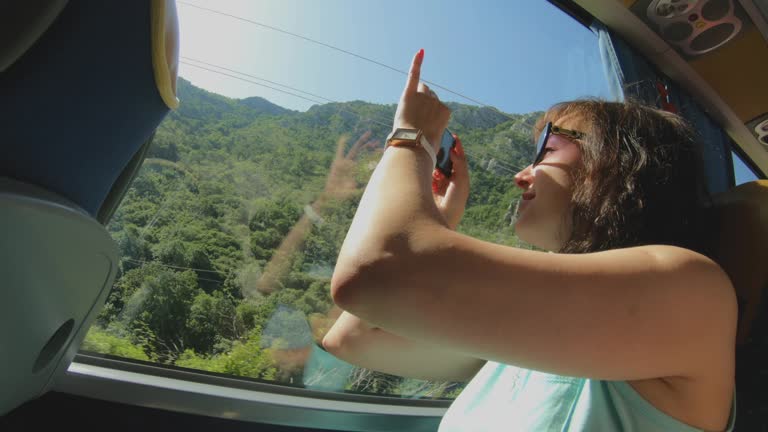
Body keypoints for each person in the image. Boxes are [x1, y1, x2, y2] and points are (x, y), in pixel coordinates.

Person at [322, 49, 737, 431]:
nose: (522, 173)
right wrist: (441, 216)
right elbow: (355, 339)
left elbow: (373, 275)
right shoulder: (534, 344)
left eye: (547, 148)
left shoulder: (690, 288)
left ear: (617, 164)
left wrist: (413, 138)